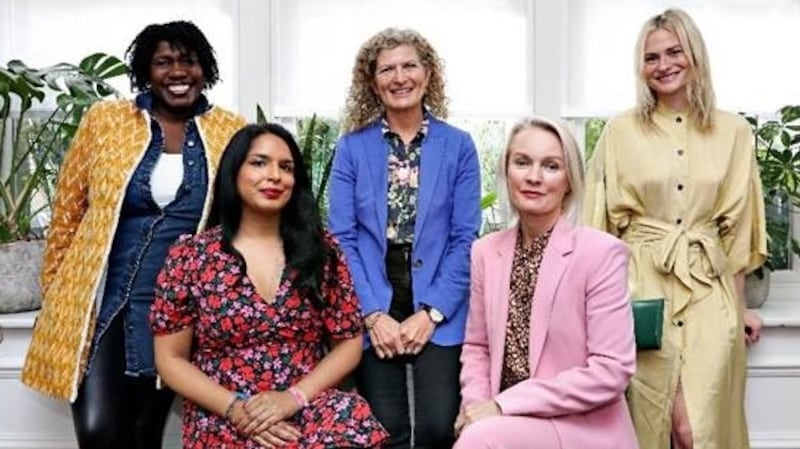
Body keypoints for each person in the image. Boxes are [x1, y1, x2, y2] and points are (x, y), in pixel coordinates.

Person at [21, 20, 246, 449]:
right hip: (100, 303)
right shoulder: (105, 121)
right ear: (146, 71)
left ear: (205, 70)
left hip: (175, 314)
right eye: (163, 62)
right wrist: (54, 295)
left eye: (188, 61)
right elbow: (68, 212)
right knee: (99, 432)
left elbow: (241, 218)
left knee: (144, 435)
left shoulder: (229, 131)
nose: (177, 72)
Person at [583, 8, 767, 449]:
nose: (663, 65)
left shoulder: (734, 131)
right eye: (651, 57)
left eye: (673, 52)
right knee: (656, 424)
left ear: (694, 55)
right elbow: (596, 227)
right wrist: (596, 311)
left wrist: (738, 307)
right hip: (640, 290)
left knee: (700, 430)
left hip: (709, 294)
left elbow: (739, 230)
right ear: (640, 66)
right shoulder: (619, 131)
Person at [150, 123, 388, 448]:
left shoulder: (323, 251)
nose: (275, 175)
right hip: (223, 411)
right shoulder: (191, 257)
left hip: (304, 403)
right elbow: (170, 360)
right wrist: (237, 410)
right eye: (259, 162)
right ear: (234, 171)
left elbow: (347, 344)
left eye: (286, 167)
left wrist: (292, 399)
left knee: (351, 415)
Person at [328, 27, 482, 448]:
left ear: (428, 74)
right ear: (373, 82)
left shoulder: (459, 146)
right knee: (386, 430)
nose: (399, 77)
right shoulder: (351, 148)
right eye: (387, 69)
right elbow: (341, 237)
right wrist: (373, 314)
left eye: (409, 65)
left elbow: (466, 237)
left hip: (439, 294)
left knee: (437, 427)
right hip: (374, 290)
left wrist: (432, 313)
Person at [453, 117, 639, 449]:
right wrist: (475, 406)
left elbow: (611, 370)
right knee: (476, 435)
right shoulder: (485, 251)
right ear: (506, 170)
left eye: (551, 166)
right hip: (503, 424)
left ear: (570, 180)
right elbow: (477, 347)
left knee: (479, 441)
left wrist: (503, 406)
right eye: (522, 162)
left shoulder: (601, 253)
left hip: (581, 427)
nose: (534, 177)